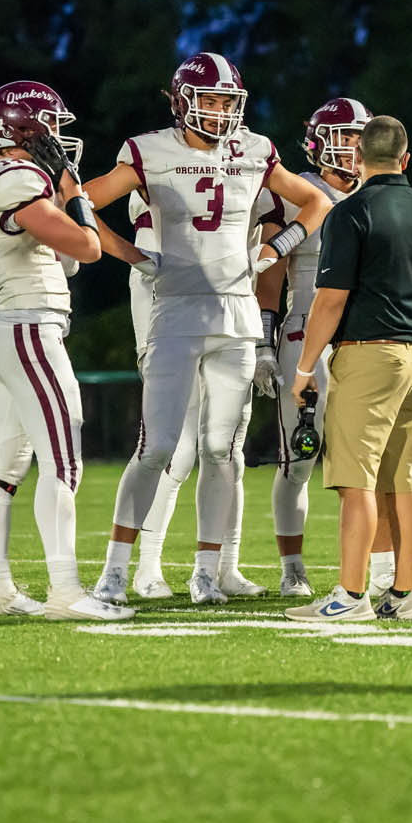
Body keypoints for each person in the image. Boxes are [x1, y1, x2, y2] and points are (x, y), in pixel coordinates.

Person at [86, 52, 331, 608]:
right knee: (157, 448)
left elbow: (314, 202)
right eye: (211, 100)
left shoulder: (254, 149)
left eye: (228, 102)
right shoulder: (149, 150)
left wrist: (276, 249)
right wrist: (131, 255)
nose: (220, 112)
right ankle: (114, 571)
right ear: (181, 102)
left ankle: (205, 571)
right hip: (174, 312)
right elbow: (80, 200)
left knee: (223, 449)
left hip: (238, 316)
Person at [0, 80, 129, 621]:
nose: (61, 139)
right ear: (28, 131)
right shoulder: (16, 176)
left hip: (9, 326)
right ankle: (66, 592)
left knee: (5, 466)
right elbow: (87, 248)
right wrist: (72, 190)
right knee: (63, 460)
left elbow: (68, 262)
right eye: (52, 127)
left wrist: (60, 195)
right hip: (27, 326)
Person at [284, 115, 412, 622]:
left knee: (357, 484)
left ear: (357, 159)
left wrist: (305, 367)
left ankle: (350, 596)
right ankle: (405, 592)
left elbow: (330, 299)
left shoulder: (350, 211)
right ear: (407, 157)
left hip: (370, 353)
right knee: (404, 481)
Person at [126, 184, 274, 600]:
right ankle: (147, 566)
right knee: (177, 453)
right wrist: (145, 346)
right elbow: (142, 276)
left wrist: (259, 344)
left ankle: (224, 567)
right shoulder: (169, 182)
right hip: (178, 331)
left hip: (230, 330)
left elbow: (252, 273)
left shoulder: (246, 180)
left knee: (229, 454)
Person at [262, 97, 371, 598]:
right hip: (306, 330)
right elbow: (272, 272)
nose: (351, 146)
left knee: (369, 462)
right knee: (300, 456)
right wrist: (264, 340)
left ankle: (381, 570)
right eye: (343, 135)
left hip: (369, 334)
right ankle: (293, 567)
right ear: (318, 139)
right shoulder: (298, 192)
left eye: (358, 136)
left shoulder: (382, 191)